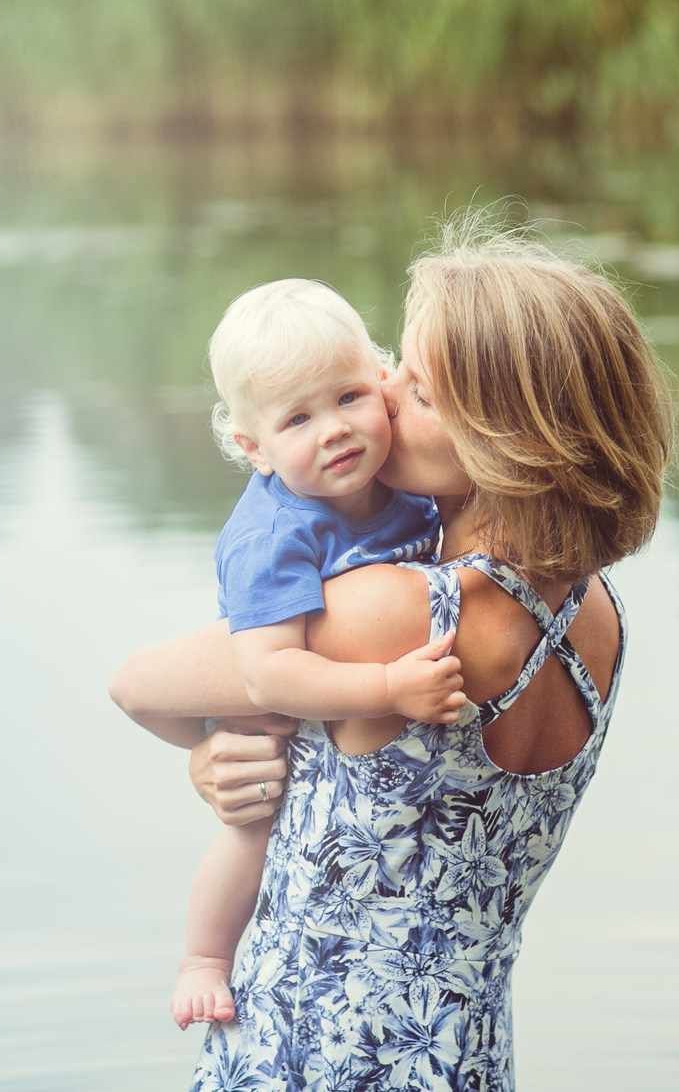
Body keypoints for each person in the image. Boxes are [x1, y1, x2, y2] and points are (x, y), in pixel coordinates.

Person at [109, 217, 678, 1091]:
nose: (382, 387)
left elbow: (139, 682)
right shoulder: (599, 615)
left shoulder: (400, 613)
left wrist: (207, 746)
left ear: (502, 437)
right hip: (466, 1059)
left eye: (416, 385)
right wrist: (253, 758)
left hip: (314, 1057)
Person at [171, 278, 469, 1030]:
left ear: (379, 380)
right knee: (248, 827)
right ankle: (203, 958)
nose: (334, 429)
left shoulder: (401, 484)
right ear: (254, 447)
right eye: (297, 418)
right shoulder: (273, 535)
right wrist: (389, 684)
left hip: (343, 727)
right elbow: (267, 670)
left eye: (346, 397)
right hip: (272, 698)